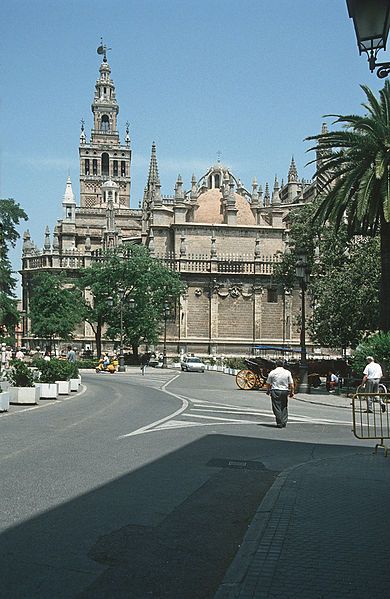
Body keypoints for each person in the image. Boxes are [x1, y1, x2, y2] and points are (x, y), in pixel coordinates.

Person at [266, 359, 294, 428]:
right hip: (285, 390)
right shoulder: (287, 372)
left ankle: (279, 421)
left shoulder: (272, 372)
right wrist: (292, 392)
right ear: (283, 365)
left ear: (276, 365)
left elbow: (268, 383)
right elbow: (291, 384)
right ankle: (284, 421)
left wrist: (268, 390)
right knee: (284, 406)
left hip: (275, 390)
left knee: (276, 406)